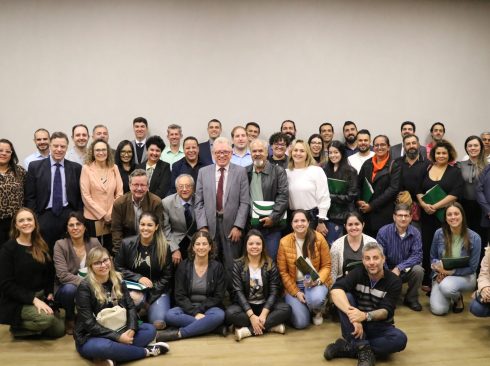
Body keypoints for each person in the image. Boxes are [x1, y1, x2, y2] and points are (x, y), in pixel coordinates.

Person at [75, 247, 169, 364]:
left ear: (110, 260)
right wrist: (118, 338)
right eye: (97, 263)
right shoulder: (84, 287)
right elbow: (89, 323)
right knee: (103, 348)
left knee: (150, 329)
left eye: (105, 260)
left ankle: (113, 356)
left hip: (120, 329)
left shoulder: (118, 279)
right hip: (91, 336)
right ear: (91, 266)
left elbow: (131, 307)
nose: (103, 265)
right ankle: (147, 351)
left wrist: (131, 329)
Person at [324, 242, 407, 366]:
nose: (371, 262)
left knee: (400, 339)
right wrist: (354, 317)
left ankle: (352, 347)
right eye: (367, 258)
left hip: (379, 326)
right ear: (363, 260)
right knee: (346, 297)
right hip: (355, 326)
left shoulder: (394, 281)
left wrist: (364, 316)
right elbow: (335, 290)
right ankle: (363, 349)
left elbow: (386, 311)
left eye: (375, 258)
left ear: (383, 259)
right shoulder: (358, 272)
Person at [0, 208, 64, 338]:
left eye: (29, 219)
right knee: (47, 320)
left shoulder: (41, 244)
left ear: (35, 223)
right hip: (17, 301)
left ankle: (32, 327)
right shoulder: (8, 249)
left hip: (39, 296)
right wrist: (33, 300)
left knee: (59, 330)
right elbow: (6, 284)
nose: (26, 223)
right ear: (16, 225)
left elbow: (49, 273)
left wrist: (49, 292)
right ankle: (16, 326)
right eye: (21, 220)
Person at [194, 137, 250, 283]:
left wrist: (238, 226)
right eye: (218, 152)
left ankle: (233, 300)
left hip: (232, 228)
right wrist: (202, 226)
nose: (222, 155)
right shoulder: (203, 172)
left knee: (232, 266)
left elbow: (244, 202)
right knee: (211, 264)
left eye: (225, 152)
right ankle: (214, 300)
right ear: (213, 154)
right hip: (209, 226)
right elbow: (198, 202)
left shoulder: (240, 172)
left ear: (231, 153)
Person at [156, 231, 226, 342]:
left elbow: (218, 296)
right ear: (193, 247)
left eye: (204, 244)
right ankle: (213, 328)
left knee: (219, 315)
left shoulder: (217, 267)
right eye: (197, 244)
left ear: (210, 247)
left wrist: (200, 310)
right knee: (170, 315)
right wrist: (195, 313)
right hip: (187, 308)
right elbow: (179, 295)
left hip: (209, 309)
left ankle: (179, 334)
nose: (201, 247)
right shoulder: (184, 266)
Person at [226, 229, 291, 341]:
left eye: (258, 243)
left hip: (265, 306)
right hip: (246, 307)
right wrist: (251, 316)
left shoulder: (270, 264)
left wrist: (264, 314)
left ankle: (248, 331)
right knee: (229, 313)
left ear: (263, 246)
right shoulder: (238, 265)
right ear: (246, 246)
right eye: (251, 243)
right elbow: (238, 292)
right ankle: (270, 327)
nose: (254, 246)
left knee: (286, 309)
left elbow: (274, 291)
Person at [416, 139, 464, 288]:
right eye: (438, 153)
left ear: (449, 155)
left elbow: (455, 193)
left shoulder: (455, 171)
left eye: (444, 153)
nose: (441, 155)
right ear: (433, 154)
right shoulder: (426, 168)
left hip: (445, 216)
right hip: (427, 215)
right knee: (427, 245)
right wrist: (423, 204)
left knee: (443, 246)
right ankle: (426, 279)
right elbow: (417, 189)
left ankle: (442, 275)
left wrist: (435, 206)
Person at [25, 131, 83, 251]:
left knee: (69, 251)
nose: (59, 149)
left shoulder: (76, 168)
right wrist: (35, 217)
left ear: (67, 148)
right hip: (44, 215)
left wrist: (78, 216)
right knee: (45, 252)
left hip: (69, 215)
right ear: (50, 146)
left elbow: (80, 196)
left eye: (62, 146)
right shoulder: (35, 167)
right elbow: (30, 196)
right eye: (55, 146)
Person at [115, 212, 173, 330]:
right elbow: (117, 268)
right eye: (142, 224)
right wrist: (138, 278)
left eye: (149, 225)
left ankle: (145, 311)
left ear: (156, 227)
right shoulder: (126, 243)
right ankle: (139, 314)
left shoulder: (164, 246)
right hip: (134, 288)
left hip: (157, 290)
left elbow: (167, 276)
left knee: (159, 323)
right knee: (132, 304)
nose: (145, 228)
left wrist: (150, 297)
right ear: (139, 225)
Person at [277, 209, 332, 329]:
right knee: (301, 323)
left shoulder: (319, 238)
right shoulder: (284, 242)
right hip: (294, 285)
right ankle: (308, 309)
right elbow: (283, 272)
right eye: (296, 221)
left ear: (308, 222)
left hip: (315, 282)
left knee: (315, 299)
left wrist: (317, 281)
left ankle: (316, 309)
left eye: (303, 220)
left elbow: (327, 265)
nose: (299, 224)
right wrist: (296, 292)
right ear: (291, 224)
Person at [53, 211, 102, 334]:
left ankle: (89, 317)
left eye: (78, 224)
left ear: (85, 227)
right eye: (71, 225)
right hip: (66, 287)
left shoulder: (94, 242)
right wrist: (87, 284)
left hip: (91, 285)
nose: (75, 228)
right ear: (67, 229)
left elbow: (103, 264)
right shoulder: (60, 245)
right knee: (70, 289)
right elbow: (63, 275)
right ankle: (70, 317)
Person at [429, 203, 481, 315]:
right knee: (439, 310)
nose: (453, 217)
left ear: (462, 215)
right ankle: (450, 294)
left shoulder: (475, 238)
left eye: (456, 214)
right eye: (449, 215)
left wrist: (449, 272)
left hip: (465, 276)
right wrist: (437, 269)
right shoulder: (438, 233)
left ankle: (457, 299)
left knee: (446, 286)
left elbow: (472, 268)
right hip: (441, 275)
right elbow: (433, 258)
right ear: (445, 218)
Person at [246, 139, 289, 261]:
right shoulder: (245, 172)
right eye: (254, 151)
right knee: (253, 260)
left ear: (267, 153)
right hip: (251, 227)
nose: (257, 153)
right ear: (250, 153)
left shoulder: (277, 171)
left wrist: (273, 217)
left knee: (271, 260)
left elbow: (283, 196)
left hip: (272, 227)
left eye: (261, 150)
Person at [376, 204, 424, 311]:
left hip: (406, 269)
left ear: (411, 217)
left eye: (406, 216)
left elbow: (417, 255)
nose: (403, 218)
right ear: (394, 217)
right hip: (387, 270)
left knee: (419, 270)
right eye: (400, 215)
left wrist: (399, 268)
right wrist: (389, 273)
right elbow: (379, 255)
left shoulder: (415, 233)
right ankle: (389, 297)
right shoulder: (383, 232)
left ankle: (411, 298)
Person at [80, 139, 123, 253]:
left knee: (111, 250)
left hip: (112, 218)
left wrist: (110, 213)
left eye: (104, 150)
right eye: (97, 150)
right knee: (94, 252)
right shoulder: (86, 169)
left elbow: (119, 193)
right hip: (92, 218)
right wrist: (103, 214)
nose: (101, 152)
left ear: (108, 152)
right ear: (92, 152)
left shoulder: (114, 168)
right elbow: (86, 196)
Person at [357, 135, 401, 237]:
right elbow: (358, 184)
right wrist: (358, 200)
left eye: (383, 145)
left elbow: (393, 189)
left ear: (388, 147)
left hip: (384, 214)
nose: (379, 147)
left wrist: (372, 206)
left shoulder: (395, 165)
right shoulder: (367, 163)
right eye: (376, 145)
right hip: (366, 215)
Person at [111, 169, 164, 254]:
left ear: (148, 186)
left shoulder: (156, 202)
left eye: (142, 185)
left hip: (150, 245)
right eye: (135, 185)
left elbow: (159, 229)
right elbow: (116, 230)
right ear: (129, 185)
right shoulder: (119, 203)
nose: (139, 188)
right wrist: (119, 252)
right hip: (127, 245)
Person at [286, 139, 330, 235]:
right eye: (295, 150)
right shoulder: (286, 173)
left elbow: (324, 197)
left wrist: (321, 221)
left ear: (307, 154)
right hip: (292, 218)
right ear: (291, 152)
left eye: (302, 151)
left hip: (312, 219)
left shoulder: (316, 171)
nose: (298, 153)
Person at [323, 141, 358, 244]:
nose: (333, 155)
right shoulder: (325, 170)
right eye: (330, 153)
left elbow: (351, 196)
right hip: (328, 215)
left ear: (342, 153)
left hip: (344, 216)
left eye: (336, 152)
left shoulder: (351, 171)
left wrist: (330, 197)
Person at [458, 136, 487, 247]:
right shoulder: (460, 165)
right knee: (466, 238)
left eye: (476, 145)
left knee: (482, 237)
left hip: (483, 207)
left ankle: (481, 263)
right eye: (470, 146)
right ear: (466, 148)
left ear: (481, 147)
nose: (473, 148)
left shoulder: (487, 166)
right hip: (465, 205)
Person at [396, 134, 430, 231]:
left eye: (413, 143)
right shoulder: (397, 163)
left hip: (421, 210)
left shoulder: (428, 164)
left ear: (418, 145)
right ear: (404, 146)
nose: (411, 146)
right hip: (401, 208)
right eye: (408, 144)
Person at [330, 212, 376, 283]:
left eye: (357, 224)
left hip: (367, 285)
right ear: (345, 226)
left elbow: (377, 268)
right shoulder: (336, 245)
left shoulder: (372, 243)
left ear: (363, 225)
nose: (354, 228)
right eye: (350, 225)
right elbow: (333, 272)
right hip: (344, 285)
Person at [163, 174, 197, 266]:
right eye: (181, 186)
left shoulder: (199, 200)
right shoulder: (166, 202)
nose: (184, 189)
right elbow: (165, 229)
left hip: (195, 240)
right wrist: (174, 249)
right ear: (177, 188)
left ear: (193, 188)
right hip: (175, 240)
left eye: (188, 186)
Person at [0, 139, 26, 246]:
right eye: (0, 150)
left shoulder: (20, 171)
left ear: (12, 154)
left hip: (15, 222)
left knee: (14, 251)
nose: (3, 153)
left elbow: (28, 194)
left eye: (7, 151)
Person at [470, 246, 490, 317]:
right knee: (475, 307)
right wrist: (485, 288)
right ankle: (479, 294)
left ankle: (478, 294)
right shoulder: (489, 252)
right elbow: (484, 274)